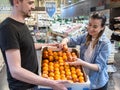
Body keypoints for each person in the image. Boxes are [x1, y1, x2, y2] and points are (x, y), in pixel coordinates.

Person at [0, 0, 69, 90]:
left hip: (32, 83)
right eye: (30, 3)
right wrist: (52, 83)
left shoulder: (21, 24)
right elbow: (15, 71)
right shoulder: (8, 28)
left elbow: (27, 46)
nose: (33, 7)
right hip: (23, 87)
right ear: (17, 2)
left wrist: (49, 45)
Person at [59, 12, 112, 90]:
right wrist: (64, 41)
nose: (90, 29)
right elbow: (72, 40)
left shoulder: (105, 44)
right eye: (89, 25)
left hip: (97, 83)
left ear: (102, 27)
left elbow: (99, 67)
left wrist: (81, 63)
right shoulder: (86, 36)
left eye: (95, 26)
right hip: (84, 78)